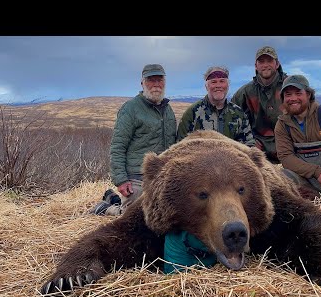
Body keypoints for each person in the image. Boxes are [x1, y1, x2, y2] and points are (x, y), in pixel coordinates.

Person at [89, 63, 177, 215]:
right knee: (136, 218)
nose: (156, 84)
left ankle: (113, 198)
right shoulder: (130, 109)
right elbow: (118, 147)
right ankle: (108, 208)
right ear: (142, 83)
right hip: (137, 176)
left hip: (162, 175)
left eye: (159, 79)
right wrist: (121, 180)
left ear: (164, 82)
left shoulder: (168, 110)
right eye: (151, 80)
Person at [231, 46, 288, 163]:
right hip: (258, 149)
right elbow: (231, 119)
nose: (265, 65)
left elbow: (307, 112)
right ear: (256, 66)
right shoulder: (245, 92)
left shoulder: (290, 87)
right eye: (261, 61)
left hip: (289, 145)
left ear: (277, 64)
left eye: (269, 61)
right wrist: (248, 140)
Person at [177, 66, 255, 146]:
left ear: (228, 85)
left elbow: (248, 144)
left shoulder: (238, 113)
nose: (218, 85)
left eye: (222, 81)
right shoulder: (193, 112)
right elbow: (180, 146)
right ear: (206, 86)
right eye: (213, 82)